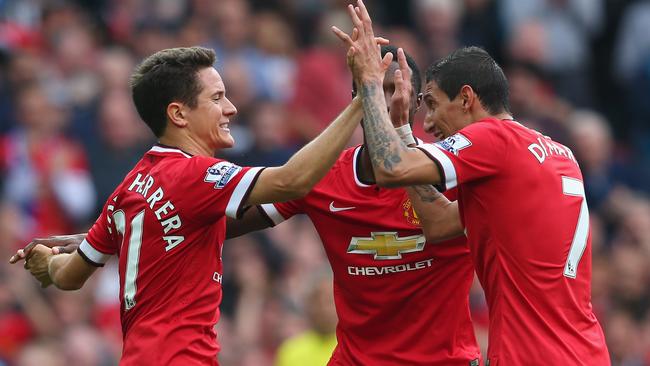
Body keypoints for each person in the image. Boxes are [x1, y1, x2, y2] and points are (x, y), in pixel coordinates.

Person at [12, 46, 481, 365]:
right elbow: (287, 183)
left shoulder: (131, 187)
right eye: (218, 97)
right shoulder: (208, 177)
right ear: (179, 114)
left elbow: (75, 272)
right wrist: (365, 102)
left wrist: (60, 255)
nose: (232, 108)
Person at [331, 1, 610, 364]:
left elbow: (390, 168)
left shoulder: (493, 138)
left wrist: (368, 83)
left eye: (432, 104)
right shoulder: (558, 152)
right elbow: (439, 224)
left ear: (466, 98)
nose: (428, 123)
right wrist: (403, 131)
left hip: (533, 355)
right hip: (585, 349)